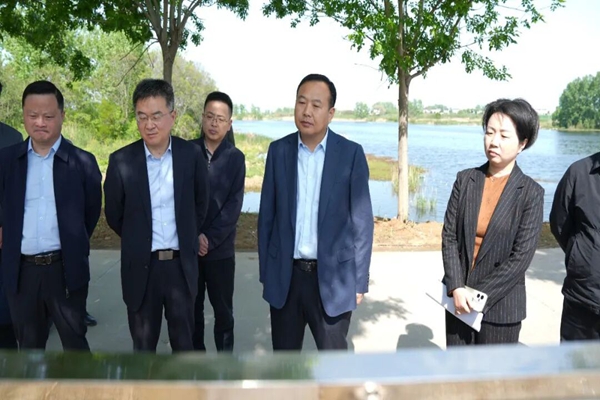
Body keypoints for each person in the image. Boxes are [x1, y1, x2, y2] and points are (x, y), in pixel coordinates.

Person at [257, 73, 374, 351]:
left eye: (316, 105)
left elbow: (362, 223)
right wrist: (267, 272)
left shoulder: (350, 154)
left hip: (334, 280)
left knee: (333, 365)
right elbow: (266, 219)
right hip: (286, 278)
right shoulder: (278, 151)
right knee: (285, 365)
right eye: (301, 102)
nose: (307, 111)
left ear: (330, 113)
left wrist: (359, 281)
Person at [104, 79, 209, 353]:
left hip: (180, 267)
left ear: (172, 116)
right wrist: (137, 236)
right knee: (143, 350)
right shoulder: (121, 161)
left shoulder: (191, 155)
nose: (149, 124)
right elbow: (115, 214)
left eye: (156, 116)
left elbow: (201, 203)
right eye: (142, 117)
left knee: (184, 347)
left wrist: (188, 233)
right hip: (142, 268)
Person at [0, 80, 102, 351]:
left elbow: (90, 214)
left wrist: (73, 244)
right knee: (30, 349)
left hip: (65, 270)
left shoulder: (83, 162)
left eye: (48, 116)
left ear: (62, 116)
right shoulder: (7, 161)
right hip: (22, 273)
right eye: (32, 115)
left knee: (75, 346)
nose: (40, 123)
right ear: (23, 115)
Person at [442, 98, 544, 346]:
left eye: (504, 135)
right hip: (458, 300)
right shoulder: (465, 180)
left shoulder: (531, 193)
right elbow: (449, 236)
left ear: (522, 143)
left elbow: (520, 258)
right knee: (456, 369)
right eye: (489, 132)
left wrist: (477, 296)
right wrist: (456, 286)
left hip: (501, 307)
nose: (494, 141)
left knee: (494, 372)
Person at [190, 91, 245, 352]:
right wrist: (194, 235)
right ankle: (196, 365)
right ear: (202, 118)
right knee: (192, 311)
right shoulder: (186, 152)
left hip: (221, 252)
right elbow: (180, 200)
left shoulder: (236, 158)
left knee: (223, 313)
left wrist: (209, 239)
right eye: (210, 116)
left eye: (220, 119)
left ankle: (225, 366)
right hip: (189, 249)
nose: (214, 123)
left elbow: (233, 207)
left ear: (229, 123)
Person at [550, 151, 600, 341]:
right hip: (582, 296)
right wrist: (581, 256)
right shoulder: (579, 173)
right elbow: (559, 224)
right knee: (575, 360)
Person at [0, 82, 23, 349]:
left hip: (3, 239)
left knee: (4, 319)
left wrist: (6, 224)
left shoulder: (11, 139)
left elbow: (15, 192)